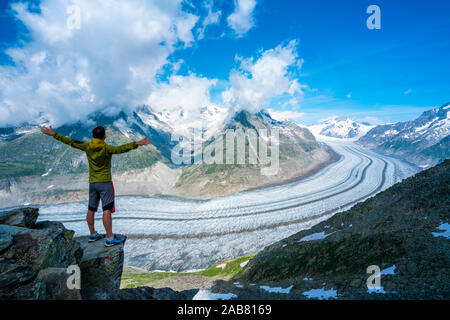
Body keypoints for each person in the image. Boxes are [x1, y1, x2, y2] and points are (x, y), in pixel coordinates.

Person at [41, 125, 150, 247]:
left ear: (92, 136)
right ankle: (109, 238)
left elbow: (71, 142)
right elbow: (121, 149)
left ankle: (92, 234)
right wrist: (137, 143)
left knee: (91, 209)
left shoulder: (87, 146)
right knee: (106, 210)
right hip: (105, 183)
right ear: (104, 136)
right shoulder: (107, 148)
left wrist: (54, 134)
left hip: (93, 183)